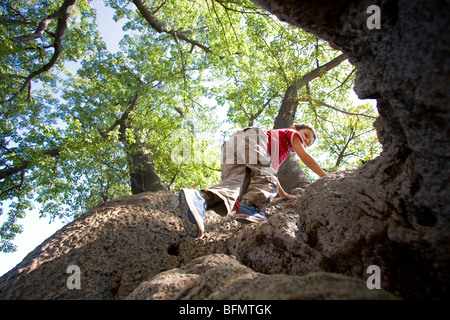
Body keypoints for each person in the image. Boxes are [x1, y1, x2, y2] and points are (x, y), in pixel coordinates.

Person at [178, 123, 327, 238]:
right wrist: (325, 177)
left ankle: (201, 199)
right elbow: (304, 157)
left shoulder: (277, 152)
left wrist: (284, 195)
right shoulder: (292, 134)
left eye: (309, 142)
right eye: (306, 136)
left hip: (232, 145)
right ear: (295, 128)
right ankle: (249, 206)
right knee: (266, 179)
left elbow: (271, 174)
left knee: (236, 185)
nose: (306, 141)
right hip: (253, 138)